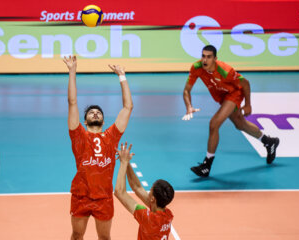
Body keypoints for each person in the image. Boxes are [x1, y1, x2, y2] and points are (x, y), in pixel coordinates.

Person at [63, 55, 133, 240]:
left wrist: (122, 76)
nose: (95, 113)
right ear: (84, 120)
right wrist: (72, 71)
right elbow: (72, 102)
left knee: (104, 238)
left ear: (103, 120)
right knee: (77, 235)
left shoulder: (111, 136)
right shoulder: (78, 135)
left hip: (104, 197)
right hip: (81, 195)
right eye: (91, 113)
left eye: (98, 112)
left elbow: (127, 107)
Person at [182, 45, 280, 177]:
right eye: (203, 56)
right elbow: (186, 90)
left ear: (215, 59)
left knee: (214, 124)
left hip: (233, 94)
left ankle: (207, 165)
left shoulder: (225, 71)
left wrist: (248, 104)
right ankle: (269, 142)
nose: (205, 60)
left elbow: (245, 84)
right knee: (240, 125)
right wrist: (188, 106)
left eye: (209, 57)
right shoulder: (196, 68)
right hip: (221, 96)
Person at [114, 142, 174, 240]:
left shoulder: (148, 218)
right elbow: (137, 187)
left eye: (150, 190)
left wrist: (123, 163)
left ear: (153, 199)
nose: (148, 192)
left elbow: (119, 192)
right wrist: (127, 163)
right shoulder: (168, 215)